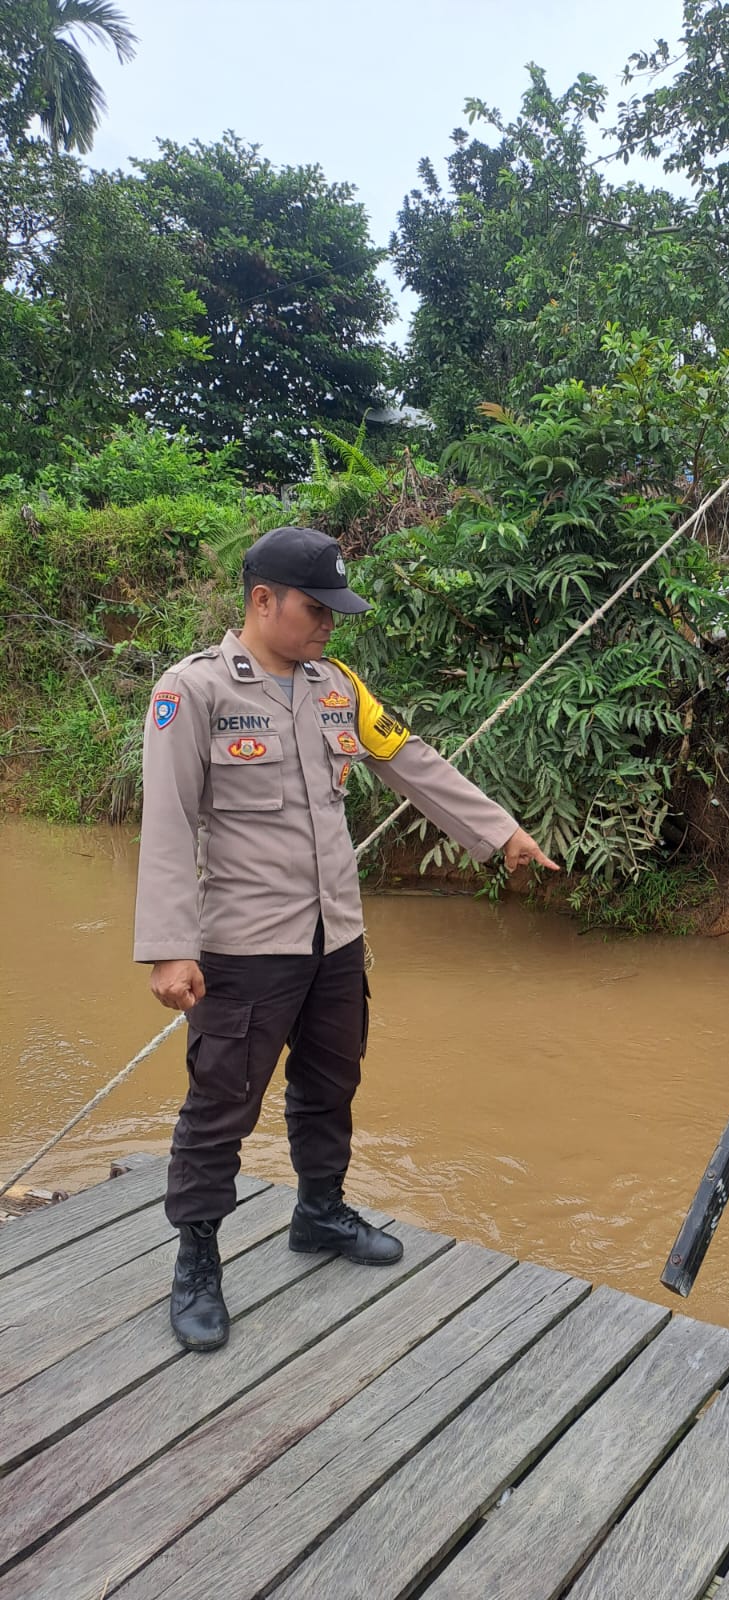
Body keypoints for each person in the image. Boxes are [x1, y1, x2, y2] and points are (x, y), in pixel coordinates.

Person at [134, 524, 557, 1352]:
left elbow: (414, 762)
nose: (330, 624)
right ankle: (196, 1263)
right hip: (243, 950)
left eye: (335, 610)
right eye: (315, 608)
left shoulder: (337, 688)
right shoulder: (195, 693)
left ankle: (319, 1213)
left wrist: (498, 832)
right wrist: (168, 947)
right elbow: (167, 824)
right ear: (263, 601)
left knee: (331, 1084)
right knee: (221, 1107)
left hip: (335, 944)